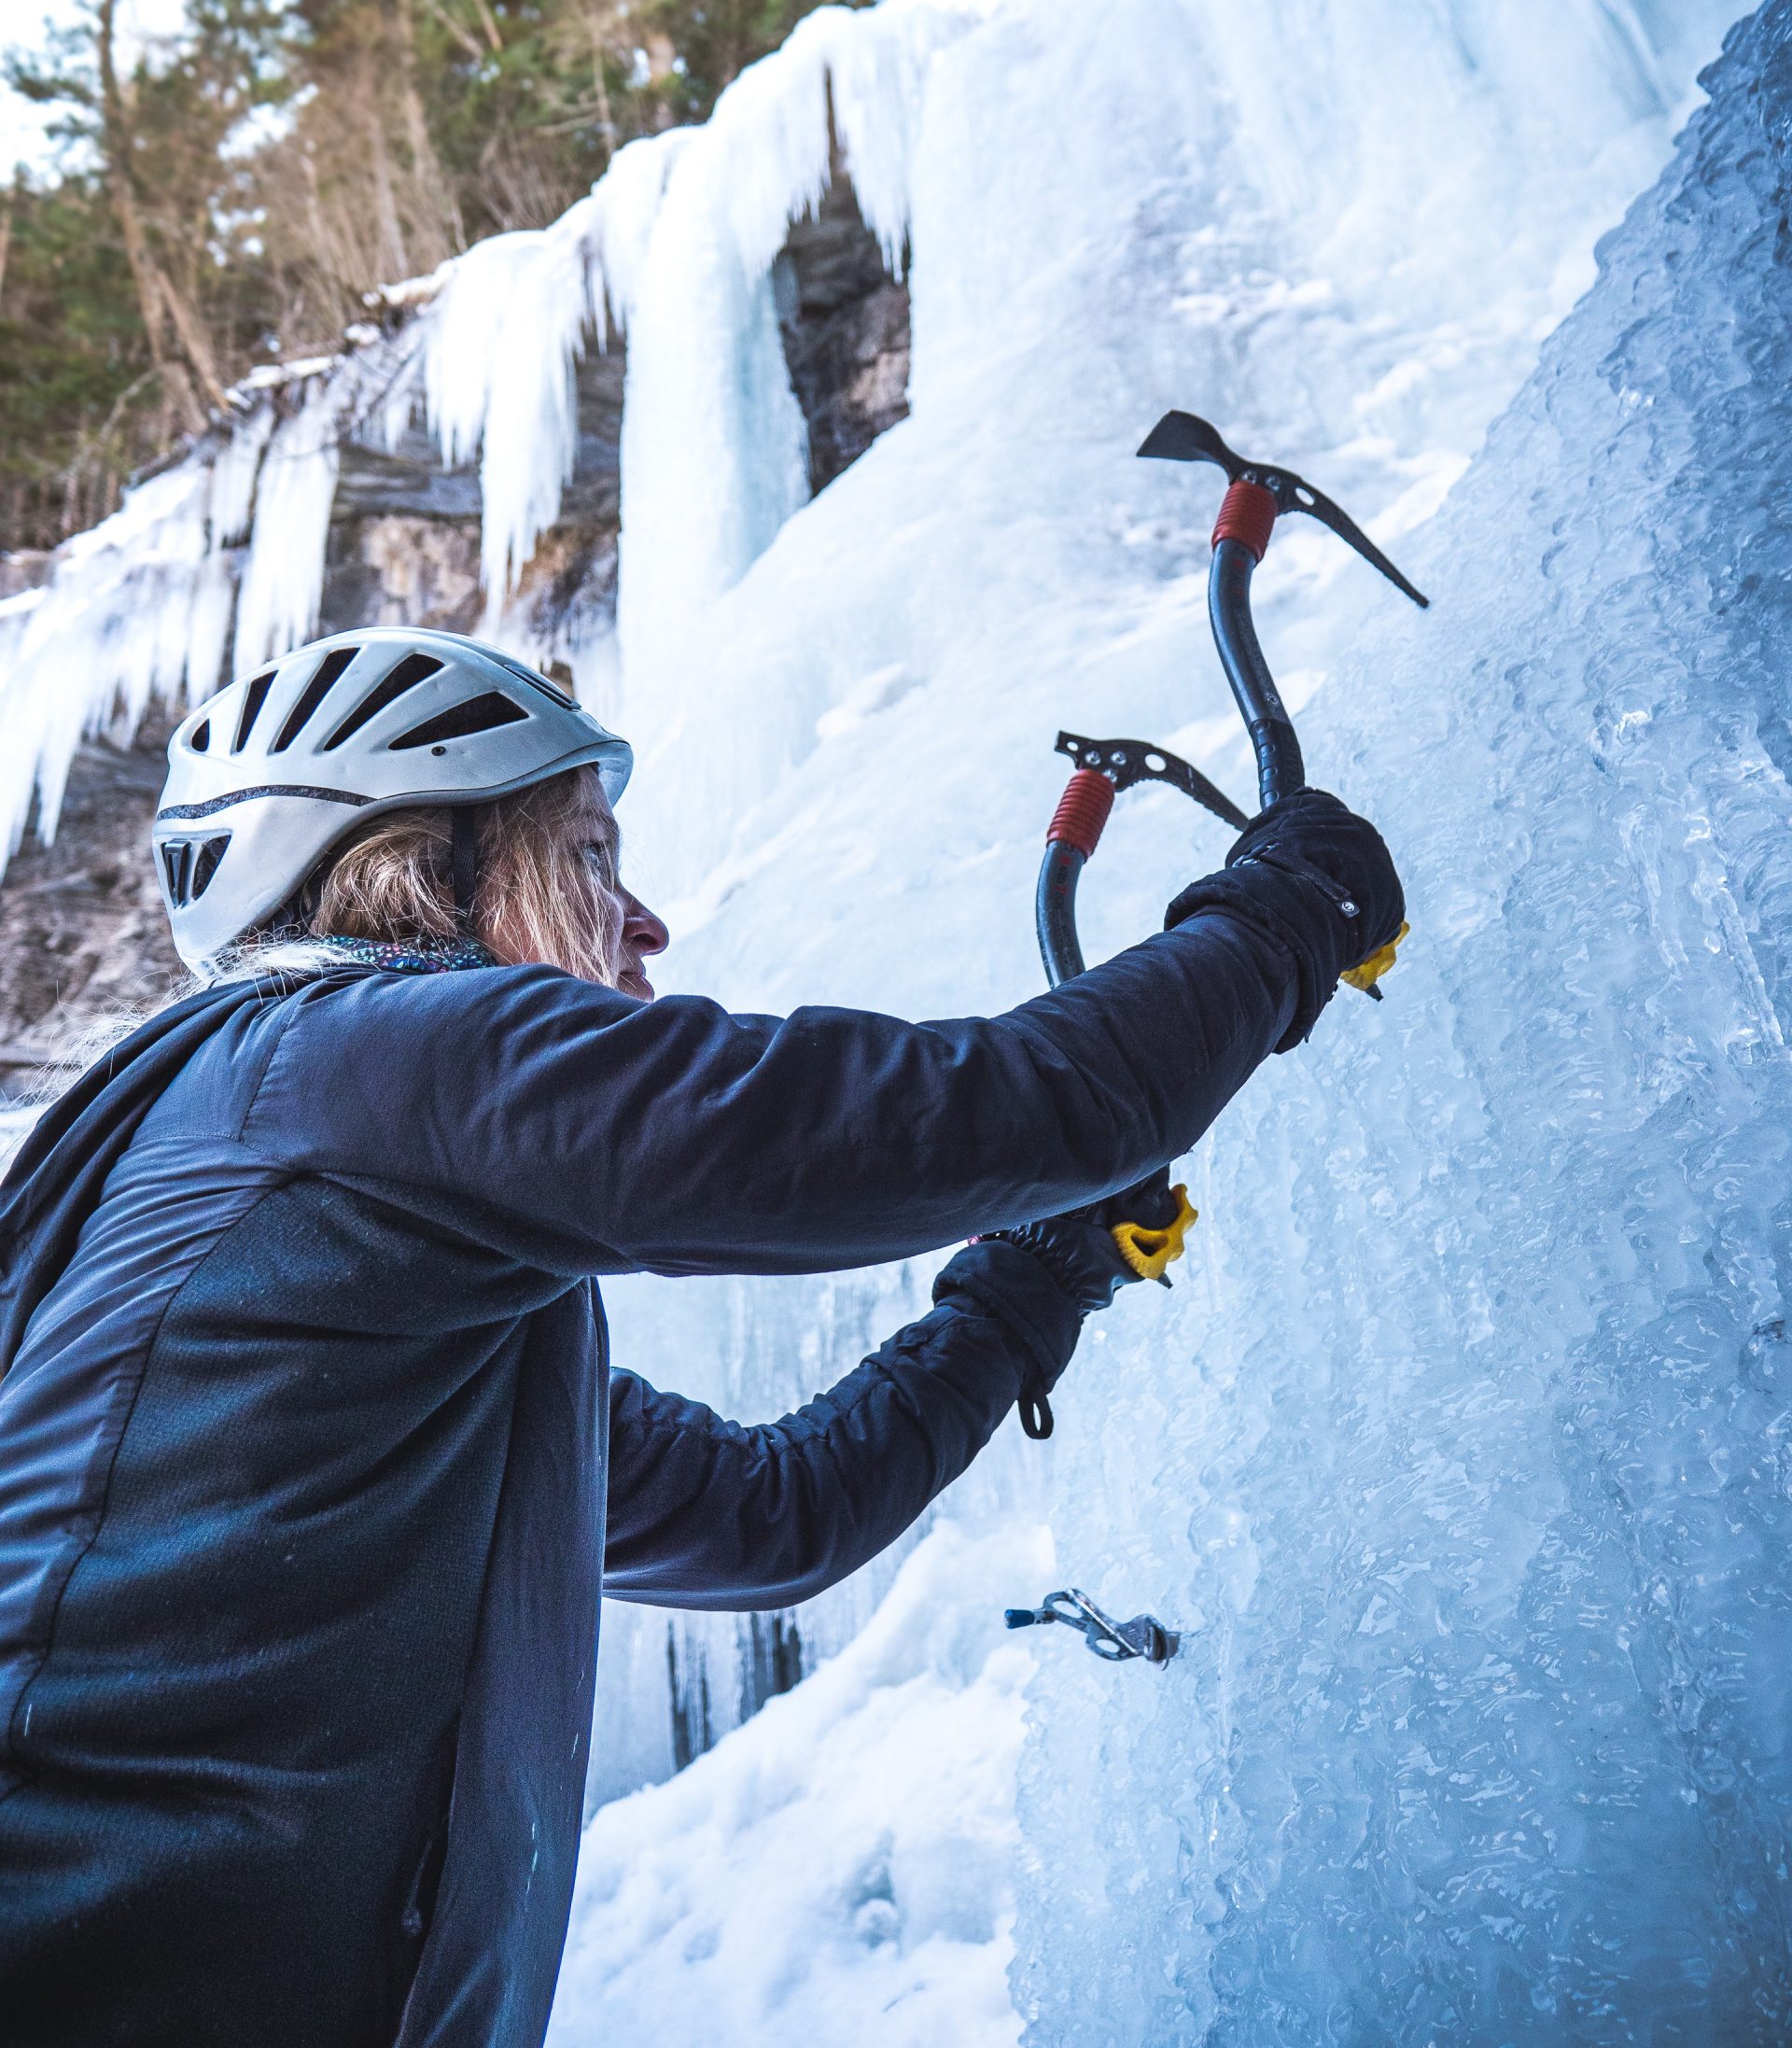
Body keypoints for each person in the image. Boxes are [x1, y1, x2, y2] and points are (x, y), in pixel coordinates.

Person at [0, 625, 1402, 2048]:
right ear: (431, 872)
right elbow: (997, 1113)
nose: (645, 920)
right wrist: (1284, 914)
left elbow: (768, 1518)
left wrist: (1031, 1280)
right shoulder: (354, 1058)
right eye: (591, 854)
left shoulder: (356, 1249)